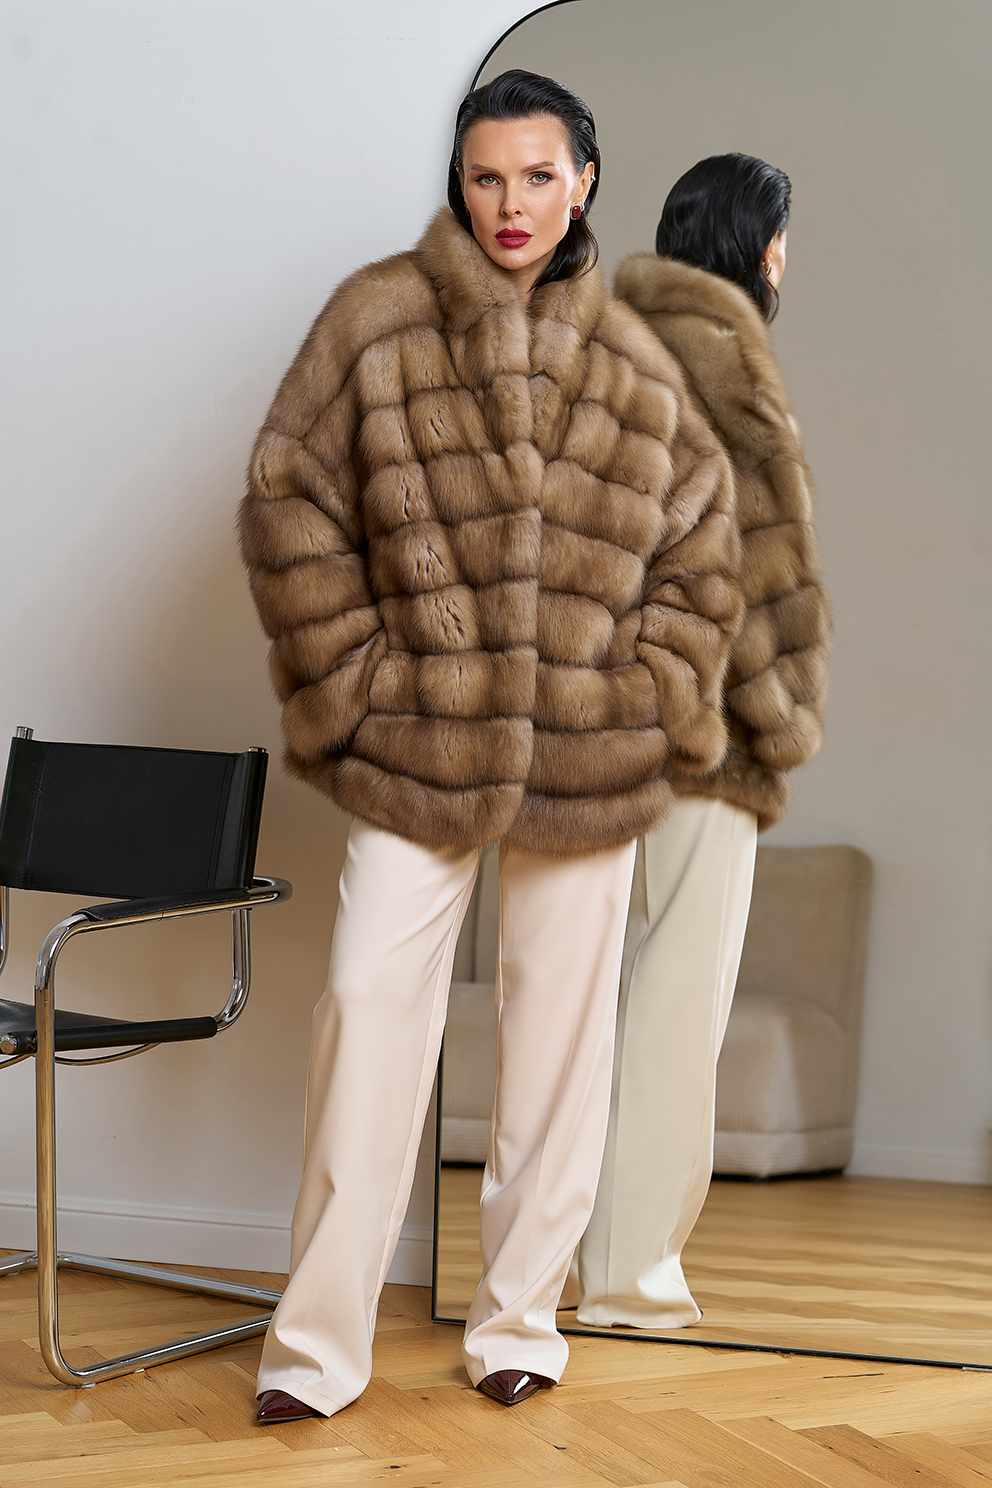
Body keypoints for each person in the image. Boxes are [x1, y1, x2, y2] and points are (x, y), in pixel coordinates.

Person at [238, 74, 742, 1419]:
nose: (509, 204)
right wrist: (360, 682)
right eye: (483, 176)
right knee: (366, 1008)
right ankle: (315, 1351)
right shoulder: (377, 320)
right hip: (417, 747)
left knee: (560, 1044)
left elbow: (703, 550)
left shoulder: (633, 359)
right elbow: (287, 495)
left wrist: (646, 697)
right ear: (457, 183)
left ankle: (519, 1322)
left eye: (535, 175)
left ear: (583, 181)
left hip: (586, 755)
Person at [567, 153, 831, 1329]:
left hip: (598, 724)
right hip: (703, 735)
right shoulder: (726, 355)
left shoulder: (611, 342)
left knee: (587, 1003)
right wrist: (781, 713)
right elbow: (752, 565)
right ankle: (627, 1277)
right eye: (783, 238)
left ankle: (559, 1265)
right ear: (757, 245)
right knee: (674, 1002)